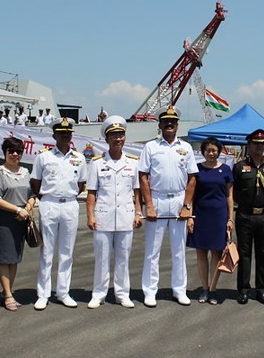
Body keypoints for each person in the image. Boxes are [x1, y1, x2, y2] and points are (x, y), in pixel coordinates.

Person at [139, 106, 198, 307]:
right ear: (160, 124)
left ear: (177, 125)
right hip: (157, 199)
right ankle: (150, 291)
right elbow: (143, 178)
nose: (170, 124)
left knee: (179, 250)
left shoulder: (186, 148)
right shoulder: (151, 147)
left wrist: (186, 206)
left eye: (173, 122)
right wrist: (149, 206)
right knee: (152, 250)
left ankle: (179, 290)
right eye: (166, 121)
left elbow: (192, 179)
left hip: (178, 200)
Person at [86, 116, 143, 309]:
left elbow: (137, 192)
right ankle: (98, 294)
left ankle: (122, 293)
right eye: (114, 136)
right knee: (102, 258)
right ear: (107, 139)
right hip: (103, 216)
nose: (118, 139)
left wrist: (138, 213)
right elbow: (91, 193)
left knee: (123, 258)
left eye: (120, 135)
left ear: (124, 138)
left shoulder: (133, 163)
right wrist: (90, 215)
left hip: (126, 216)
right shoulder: (96, 163)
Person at [31, 117, 87, 309]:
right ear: (54, 135)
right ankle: (43, 294)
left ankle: (63, 292)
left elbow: (80, 184)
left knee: (66, 252)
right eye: (61, 133)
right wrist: (48, 197)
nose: (65, 136)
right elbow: (35, 182)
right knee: (46, 251)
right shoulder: (43, 157)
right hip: (49, 203)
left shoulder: (78, 158)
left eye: (68, 133)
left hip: (70, 204)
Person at [0, 137, 36, 311]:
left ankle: (7, 290)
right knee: (4, 258)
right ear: (5, 152)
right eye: (11, 151)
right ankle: (8, 295)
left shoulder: (25, 172)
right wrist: (17, 210)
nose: (15, 154)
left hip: (21, 220)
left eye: (18, 151)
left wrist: (29, 206)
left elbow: (31, 194)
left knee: (14, 258)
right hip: (4, 220)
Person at [233, 129, 264, 305]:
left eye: (262, 144)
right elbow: (234, 191)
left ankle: (262, 290)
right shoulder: (239, 167)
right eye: (255, 143)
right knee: (244, 254)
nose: (259, 146)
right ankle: (244, 290)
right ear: (249, 144)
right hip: (245, 215)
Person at [186, 137, 234, 305]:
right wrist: (190, 217)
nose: (211, 153)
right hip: (200, 215)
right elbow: (190, 196)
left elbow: (229, 197)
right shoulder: (197, 169)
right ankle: (204, 288)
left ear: (219, 152)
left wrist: (230, 219)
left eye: (214, 150)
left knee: (216, 254)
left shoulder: (226, 170)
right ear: (203, 152)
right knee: (201, 253)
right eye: (208, 150)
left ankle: (213, 289)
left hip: (219, 216)